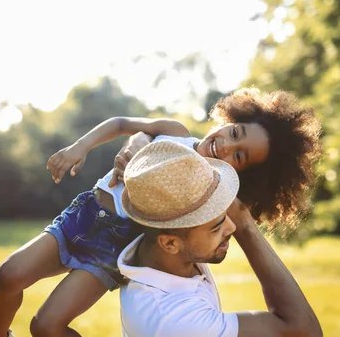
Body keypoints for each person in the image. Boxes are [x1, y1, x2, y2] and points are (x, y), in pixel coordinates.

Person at [0, 87, 321, 336]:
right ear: (231, 120)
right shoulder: (176, 132)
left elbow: (216, 231)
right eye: (235, 132)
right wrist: (84, 146)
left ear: (239, 174)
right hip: (85, 215)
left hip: (112, 248)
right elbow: (123, 124)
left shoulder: (203, 192)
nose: (226, 144)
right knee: (7, 276)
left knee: (45, 326)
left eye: (239, 156)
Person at [118, 139, 323, 337]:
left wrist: (138, 140)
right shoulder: (175, 321)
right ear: (170, 243)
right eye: (216, 228)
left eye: (226, 214)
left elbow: (162, 141)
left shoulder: (153, 228)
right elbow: (303, 331)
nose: (232, 227)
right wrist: (246, 227)